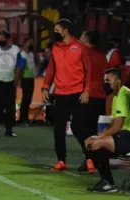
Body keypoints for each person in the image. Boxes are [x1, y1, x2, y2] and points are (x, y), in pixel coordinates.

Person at [85, 68, 130, 193]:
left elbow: (117, 126)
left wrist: (98, 139)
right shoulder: (116, 96)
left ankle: (107, 183)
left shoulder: (124, 95)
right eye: (104, 80)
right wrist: (97, 135)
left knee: (96, 143)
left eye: (108, 80)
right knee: (89, 142)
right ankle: (106, 182)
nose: (105, 83)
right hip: (126, 136)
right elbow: (112, 124)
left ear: (118, 82)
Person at [42, 19, 92, 171]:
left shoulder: (80, 47)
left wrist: (87, 90)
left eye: (57, 30)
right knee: (58, 129)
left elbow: (88, 70)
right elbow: (51, 69)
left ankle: (90, 158)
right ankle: (61, 161)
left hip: (77, 93)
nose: (54, 33)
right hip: (60, 94)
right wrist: (45, 87)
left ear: (65, 31)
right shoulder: (55, 48)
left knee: (78, 127)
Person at [78, 30, 108, 173]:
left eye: (81, 37)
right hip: (101, 97)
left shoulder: (84, 54)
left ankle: (91, 158)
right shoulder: (102, 55)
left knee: (80, 128)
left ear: (86, 39)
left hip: (87, 96)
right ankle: (90, 160)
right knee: (94, 131)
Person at [0, 30, 24, 137]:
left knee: (10, 107)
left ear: (8, 39)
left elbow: (19, 66)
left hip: (10, 83)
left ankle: (9, 130)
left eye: (3, 38)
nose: (0, 40)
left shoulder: (15, 50)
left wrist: (16, 81)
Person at [18, 37, 36, 126]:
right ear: (25, 44)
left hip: (31, 78)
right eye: (29, 43)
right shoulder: (23, 55)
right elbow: (21, 69)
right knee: (25, 99)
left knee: (28, 99)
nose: (31, 45)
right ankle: (22, 119)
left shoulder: (31, 55)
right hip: (25, 79)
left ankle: (26, 118)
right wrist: (19, 80)